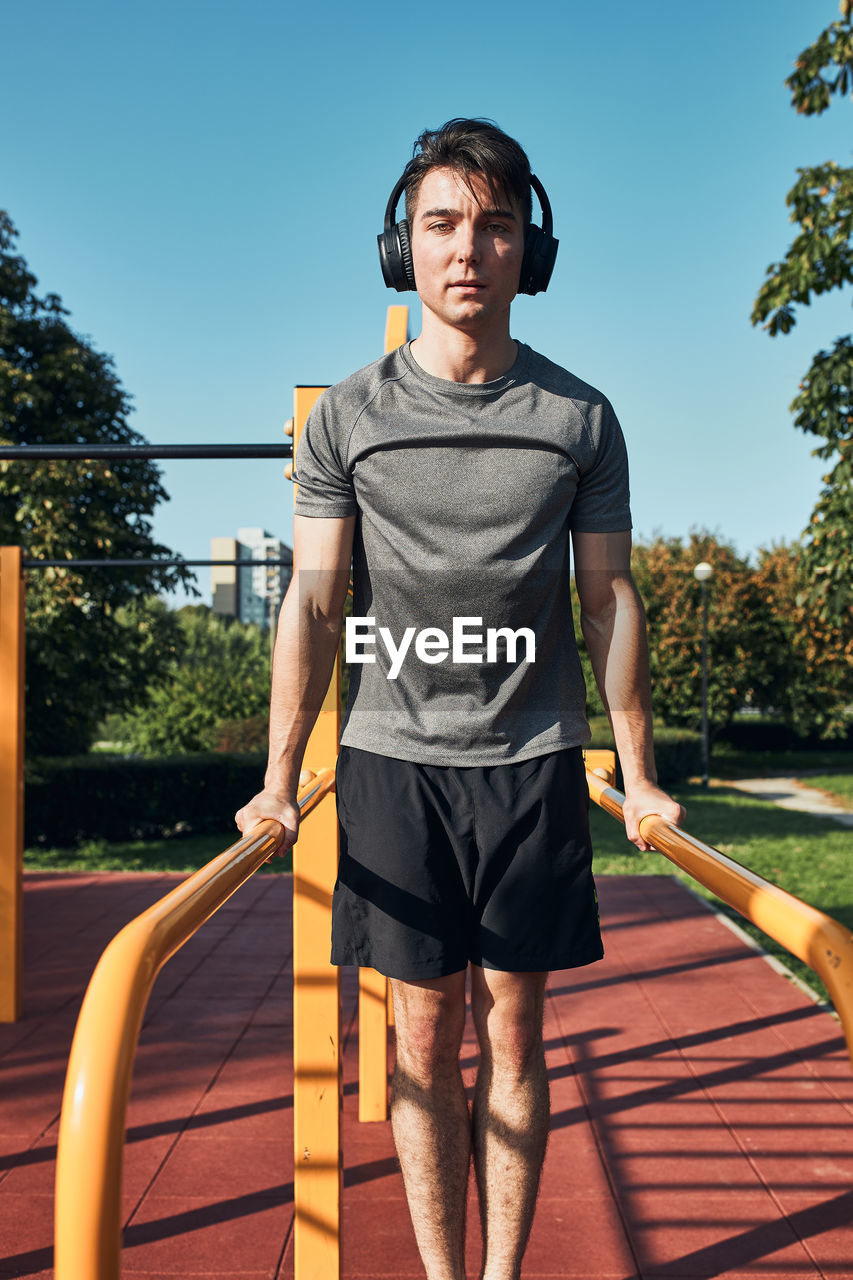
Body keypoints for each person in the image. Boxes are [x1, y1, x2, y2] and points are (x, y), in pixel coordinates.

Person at [236, 117, 685, 1280]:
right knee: (421, 1037)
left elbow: (609, 603)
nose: (468, 249)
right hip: (393, 760)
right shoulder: (347, 417)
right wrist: (278, 782)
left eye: (494, 225)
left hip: (529, 759)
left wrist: (639, 773)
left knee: (516, 1031)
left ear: (528, 250)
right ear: (404, 248)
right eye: (442, 223)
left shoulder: (579, 420)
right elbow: (315, 602)